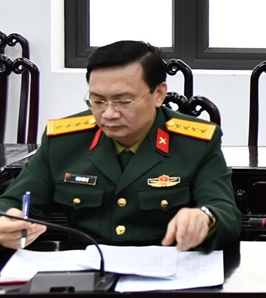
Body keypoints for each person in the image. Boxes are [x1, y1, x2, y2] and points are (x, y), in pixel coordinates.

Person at [0, 41, 241, 251]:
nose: (108, 114)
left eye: (124, 101)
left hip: (166, 270)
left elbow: (225, 212)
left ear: (159, 94)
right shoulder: (64, 141)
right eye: (97, 101)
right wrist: (8, 221)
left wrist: (204, 218)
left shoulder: (195, 143)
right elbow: (12, 202)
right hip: (86, 270)